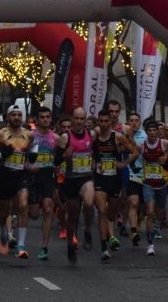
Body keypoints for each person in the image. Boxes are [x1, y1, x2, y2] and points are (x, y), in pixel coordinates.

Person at [92, 108, 139, 262]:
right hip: (99, 178)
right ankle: (104, 247)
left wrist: (124, 164)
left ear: (111, 122)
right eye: (102, 121)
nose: (104, 124)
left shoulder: (118, 137)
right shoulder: (94, 136)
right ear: (98, 121)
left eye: (107, 121)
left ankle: (110, 234)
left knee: (111, 213)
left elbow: (135, 152)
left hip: (114, 179)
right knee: (101, 210)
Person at [0, 105, 33, 257]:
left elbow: (31, 153)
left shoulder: (29, 135)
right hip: (5, 174)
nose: (16, 117)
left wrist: (32, 159)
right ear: (8, 117)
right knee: (4, 211)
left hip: (21, 174)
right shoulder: (1, 135)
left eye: (19, 115)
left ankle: (21, 245)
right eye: (13, 115)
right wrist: (1, 155)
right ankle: (4, 230)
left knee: (23, 205)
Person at [59, 106, 97, 264]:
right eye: (77, 118)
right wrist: (64, 156)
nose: (80, 121)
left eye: (83, 119)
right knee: (72, 216)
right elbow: (56, 159)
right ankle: (70, 245)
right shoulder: (65, 137)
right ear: (72, 118)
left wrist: (97, 163)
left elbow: (96, 152)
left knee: (89, 202)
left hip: (86, 177)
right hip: (71, 180)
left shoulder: (91, 134)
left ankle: (87, 230)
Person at [27, 106, 59, 260]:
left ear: (51, 119)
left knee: (48, 208)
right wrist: (28, 166)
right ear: (37, 120)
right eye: (42, 117)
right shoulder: (30, 136)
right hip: (33, 176)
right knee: (34, 215)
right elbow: (23, 157)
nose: (45, 119)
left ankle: (44, 247)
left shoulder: (56, 138)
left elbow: (58, 159)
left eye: (48, 117)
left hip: (48, 175)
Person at [139, 119, 168, 256]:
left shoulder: (164, 144)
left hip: (162, 183)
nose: (152, 133)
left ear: (158, 132)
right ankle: (150, 244)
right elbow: (134, 155)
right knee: (150, 212)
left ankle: (158, 224)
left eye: (154, 131)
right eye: (150, 131)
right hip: (148, 183)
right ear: (147, 133)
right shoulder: (142, 146)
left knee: (159, 213)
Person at [124, 112, 148, 246]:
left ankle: (139, 221)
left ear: (140, 123)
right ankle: (133, 231)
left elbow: (141, 151)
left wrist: (131, 140)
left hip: (144, 175)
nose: (134, 123)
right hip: (129, 173)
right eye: (131, 120)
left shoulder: (145, 137)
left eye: (136, 120)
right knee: (133, 202)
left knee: (144, 207)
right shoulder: (123, 136)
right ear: (128, 122)